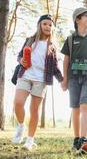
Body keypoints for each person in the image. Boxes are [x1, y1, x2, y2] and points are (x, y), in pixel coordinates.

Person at [12, 14, 63, 151]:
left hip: (41, 80)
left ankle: (29, 140)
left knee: (34, 110)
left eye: (50, 25)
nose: (47, 26)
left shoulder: (52, 46)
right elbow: (19, 55)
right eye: (44, 24)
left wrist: (62, 81)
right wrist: (20, 60)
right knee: (18, 103)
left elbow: (55, 68)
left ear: (52, 28)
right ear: (39, 25)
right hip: (25, 75)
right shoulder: (30, 40)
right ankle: (21, 126)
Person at [61, 7, 87, 153]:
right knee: (75, 108)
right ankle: (76, 139)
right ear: (77, 19)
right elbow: (66, 60)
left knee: (85, 105)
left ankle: (84, 139)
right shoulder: (70, 39)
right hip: (73, 77)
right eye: (86, 16)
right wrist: (65, 79)